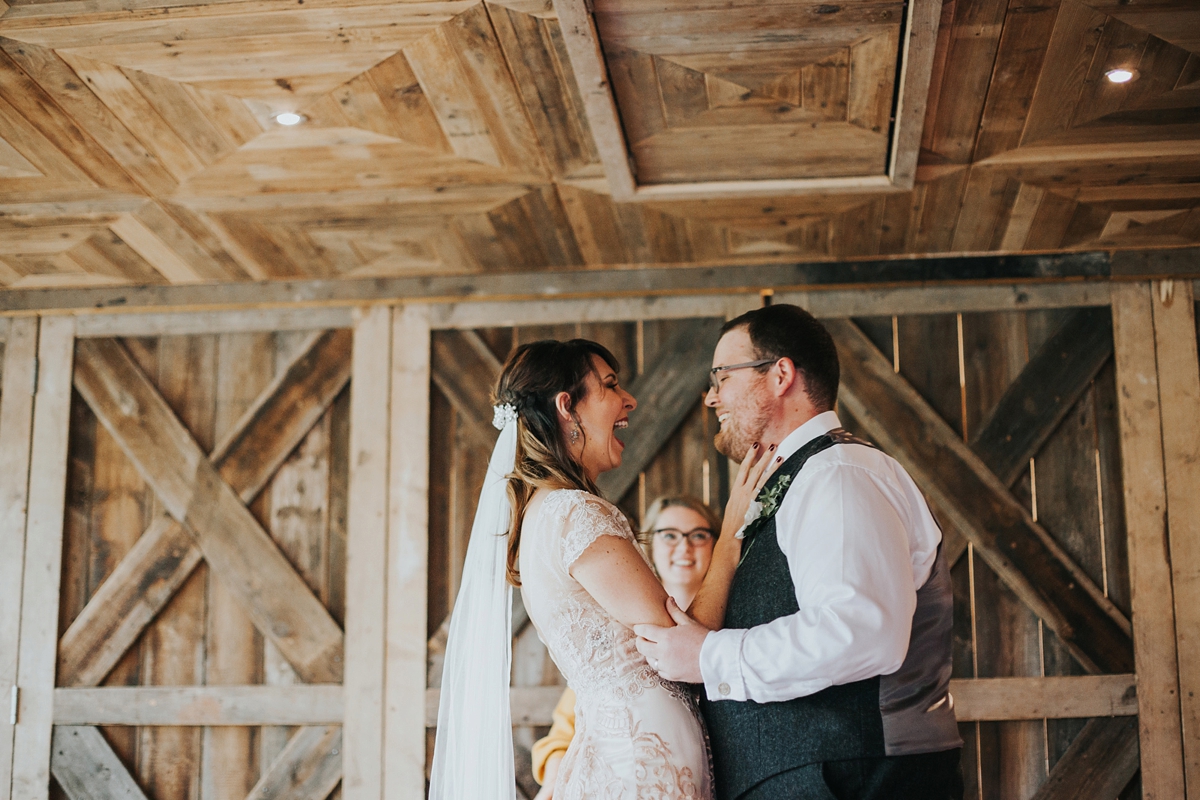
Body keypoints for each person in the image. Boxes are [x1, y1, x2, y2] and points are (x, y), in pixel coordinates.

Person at [635, 304, 964, 800]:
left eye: (722, 376)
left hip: (860, 780)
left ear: (781, 375)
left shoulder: (838, 474)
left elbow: (862, 630)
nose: (710, 397)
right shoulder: (801, 478)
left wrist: (710, 657)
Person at [430, 338, 771, 800]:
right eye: (610, 385)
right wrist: (731, 533)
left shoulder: (542, 516)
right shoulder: (575, 515)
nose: (628, 400)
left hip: (625, 751)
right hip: (642, 762)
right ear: (567, 407)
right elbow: (685, 643)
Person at [532, 497, 722, 798]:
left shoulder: (735, 621)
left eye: (699, 535)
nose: (684, 547)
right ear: (648, 546)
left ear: (716, 543)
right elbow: (568, 723)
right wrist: (555, 777)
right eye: (669, 535)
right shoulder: (620, 622)